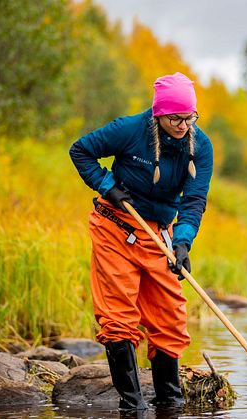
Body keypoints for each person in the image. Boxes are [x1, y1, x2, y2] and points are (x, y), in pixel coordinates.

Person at [69, 72, 213, 411]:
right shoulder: (130, 129)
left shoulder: (200, 146)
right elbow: (81, 151)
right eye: (175, 118)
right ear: (158, 114)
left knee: (169, 315)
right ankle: (132, 407)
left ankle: (170, 404)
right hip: (114, 226)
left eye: (189, 117)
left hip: (157, 234)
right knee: (118, 316)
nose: (183, 125)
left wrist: (182, 242)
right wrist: (107, 185)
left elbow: (194, 199)